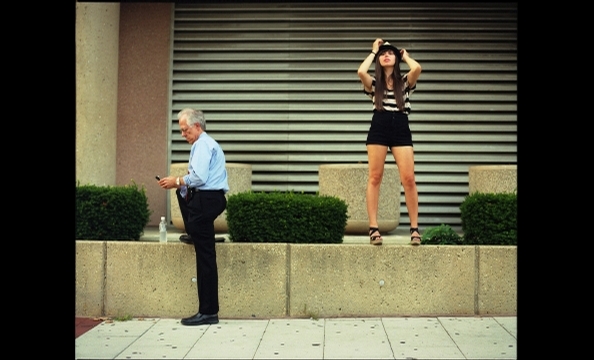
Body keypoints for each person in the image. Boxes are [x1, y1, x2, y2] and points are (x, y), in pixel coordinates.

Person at [158, 108, 229, 325]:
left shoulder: (202, 145)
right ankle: (195, 234)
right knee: (182, 192)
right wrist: (180, 184)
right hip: (209, 199)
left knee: (205, 258)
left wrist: (177, 181)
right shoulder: (206, 144)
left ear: (197, 127)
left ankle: (208, 312)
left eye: (185, 130)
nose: (182, 135)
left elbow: (198, 177)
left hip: (207, 199)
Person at [357, 38, 422, 246]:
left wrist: (405, 56)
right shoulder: (374, 85)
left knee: (409, 178)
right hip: (379, 126)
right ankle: (373, 228)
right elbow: (360, 72)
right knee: (375, 177)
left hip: (401, 127)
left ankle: (414, 229)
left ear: (396, 58)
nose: (386, 55)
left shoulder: (404, 82)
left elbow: (417, 68)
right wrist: (374, 52)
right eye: (384, 53)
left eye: (390, 53)